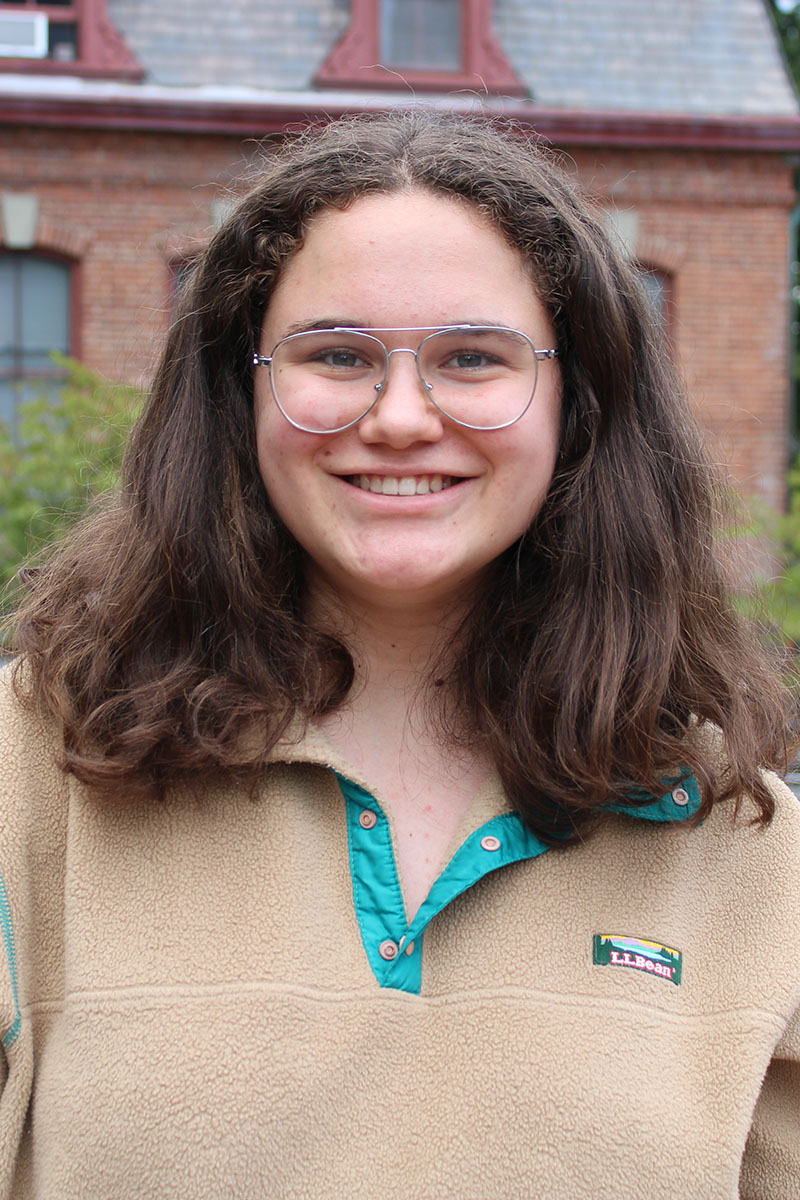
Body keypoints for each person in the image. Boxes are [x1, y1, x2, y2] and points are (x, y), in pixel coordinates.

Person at [0, 109, 797, 1200]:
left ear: (578, 403)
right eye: (337, 355)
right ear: (241, 395)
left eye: (474, 357)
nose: (401, 417)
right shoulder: (28, 777)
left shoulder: (743, 845)